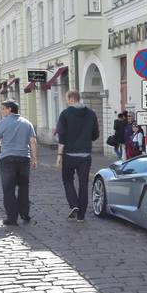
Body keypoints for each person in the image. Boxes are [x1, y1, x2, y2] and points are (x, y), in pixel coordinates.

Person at [0, 100, 38, 226]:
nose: (1, 111)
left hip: (7, 159)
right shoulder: (27, 123)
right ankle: (25, 214)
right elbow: (33, 141)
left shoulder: (2, 123)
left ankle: (12, 218)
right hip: (24, 159)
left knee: (8, 189)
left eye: (3, 108)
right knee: (24, 188)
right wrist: (34, 158)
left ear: (10, 109)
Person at [56, 90, 100, 222]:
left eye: (66, 99)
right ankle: (81, 215)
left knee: (67, 180)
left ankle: (74, 205)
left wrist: (59, 155)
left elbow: (62, 136)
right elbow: (95, 135)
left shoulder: (65, 114)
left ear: (71, 99)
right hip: (85, 155)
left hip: (69, 154)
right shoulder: (91, 114)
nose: (66, 101)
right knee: (83, 184)